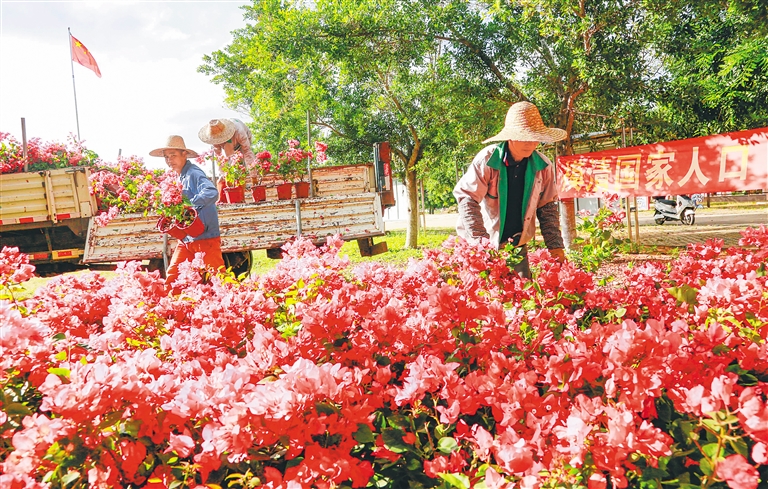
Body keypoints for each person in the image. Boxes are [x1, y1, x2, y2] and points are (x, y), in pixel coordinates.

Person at [453, 101, 567, 279]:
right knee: (485, 294)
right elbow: (468, 199)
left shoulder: (543, 166)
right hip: (484, 239)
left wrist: (555, 247)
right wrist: (480, 244)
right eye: (524, 136)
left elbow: (547, 209)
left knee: (522, 290)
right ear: (511, 137)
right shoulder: (488, 160)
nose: (530, 143)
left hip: (517, 242)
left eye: (534, 136)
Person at [149, 135, 225, 291]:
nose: (169, 160)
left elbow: (212, 192)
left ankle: (235, 307)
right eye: (166, 157)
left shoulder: (193, 173)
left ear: (184, 154)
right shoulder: (181, 176)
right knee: (173, 277)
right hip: (187, 238)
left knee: (219, 279)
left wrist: (189, 206)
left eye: (173, 155)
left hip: (205, 237)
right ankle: (171, 311)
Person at [198, 118, 256, 194]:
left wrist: (253, 175)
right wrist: (224, 175)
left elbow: (247, 152)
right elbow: (219, 158)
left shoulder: (239, 132)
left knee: (240, 169)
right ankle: (229, 194)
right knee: (226, 172)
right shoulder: (214, 137)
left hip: (241, 144)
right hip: (229, 147)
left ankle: (240, 194)